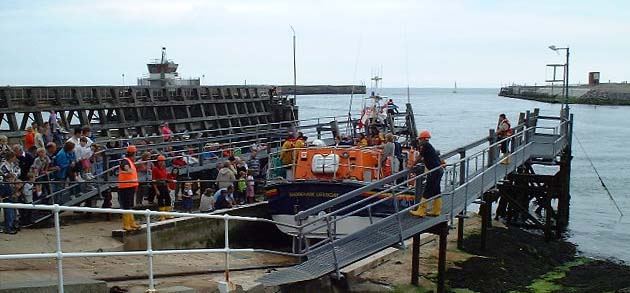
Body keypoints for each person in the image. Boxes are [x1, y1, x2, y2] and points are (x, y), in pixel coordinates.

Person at [410, 130, 444, 217]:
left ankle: (421, 211)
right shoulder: (429, 147)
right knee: (436, 190)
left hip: (434, 172)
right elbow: (426, 158)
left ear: (424, 139)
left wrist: (412, 165)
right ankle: (436, 210)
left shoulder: (425, 147)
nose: (419, 141)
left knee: (427, 191)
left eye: (420, 139)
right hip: (438, 170)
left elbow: (419, 157)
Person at [118, 145, 140, 231]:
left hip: (130, 187)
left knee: (130, 205)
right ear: (134, 153)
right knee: (126, 206)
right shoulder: (126, 161)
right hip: (125, 187)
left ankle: (132, 223)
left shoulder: (130, 161)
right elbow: (125, 167)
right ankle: (127, 224)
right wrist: (127, 170)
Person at [152, 155, 172, 220]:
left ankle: (167, 214)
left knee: (168, 199)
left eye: (163, 161)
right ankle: (162, 216)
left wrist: (168, 187)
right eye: (160, 161)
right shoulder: (155, 169)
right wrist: (156, 190)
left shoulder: (164, 168)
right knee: (160, 200)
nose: (162, 162)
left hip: (164, 186)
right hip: (159, 186)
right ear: (158, 162)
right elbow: (153, 180)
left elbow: (165, 179)